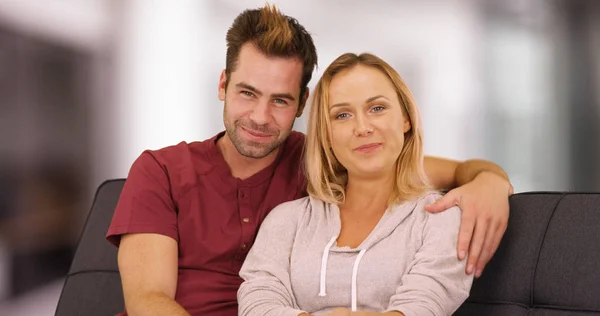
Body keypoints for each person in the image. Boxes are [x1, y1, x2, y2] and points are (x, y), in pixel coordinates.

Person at [106, 4, 512, 316]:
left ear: (301, 104)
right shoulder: (160, 170)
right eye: (247, 93)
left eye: (280, 100)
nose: (261, 117)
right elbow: (149, 300)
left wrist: (491, 182)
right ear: (223, 85)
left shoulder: (321, 160)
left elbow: (426, 169)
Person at [238, 52, 473, 316]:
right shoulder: (287, 220)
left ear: (406, 119)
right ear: (326, 135)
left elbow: (423, 307)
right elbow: (257, 303)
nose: (362, 127)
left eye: (377, 109)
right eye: (342, 115)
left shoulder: (440, 218)